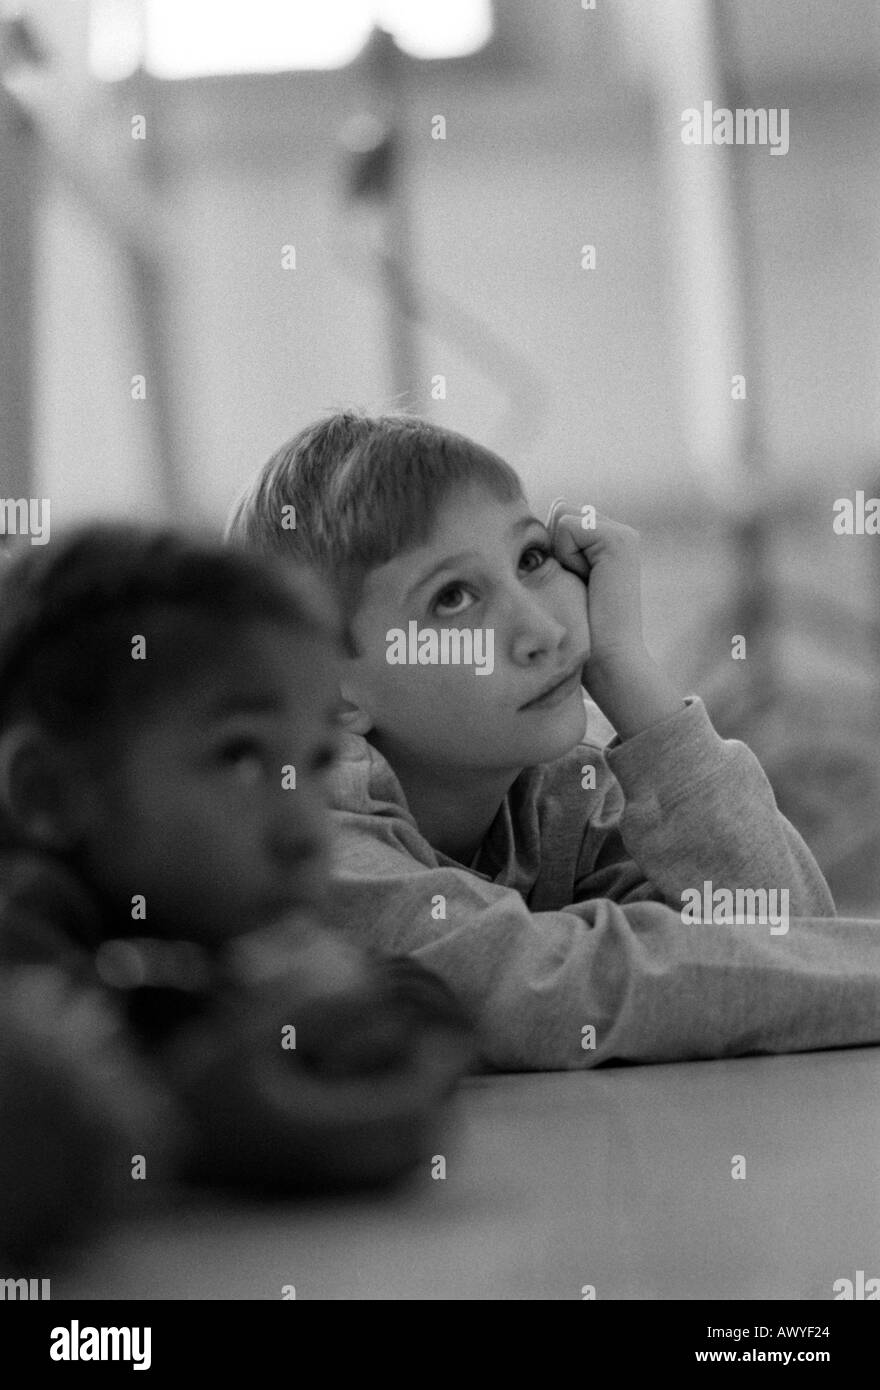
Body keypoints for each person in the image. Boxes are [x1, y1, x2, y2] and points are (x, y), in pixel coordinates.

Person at [228, 410, 880, 1070]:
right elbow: (558, 994)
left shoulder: (560, 788)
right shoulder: (316, 838)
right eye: (454, 598)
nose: (541, 627)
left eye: (532, 558)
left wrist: (627, 670)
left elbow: (790, 934)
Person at [0, 523, 474, 1262]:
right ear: (52, 793)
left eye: (317, 761)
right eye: (240, 756)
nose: (303, 830)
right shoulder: (24, 916)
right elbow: (39, 1110)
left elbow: (403, 986)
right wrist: (189, 1120)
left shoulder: (201, 918)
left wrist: (372, 1026)